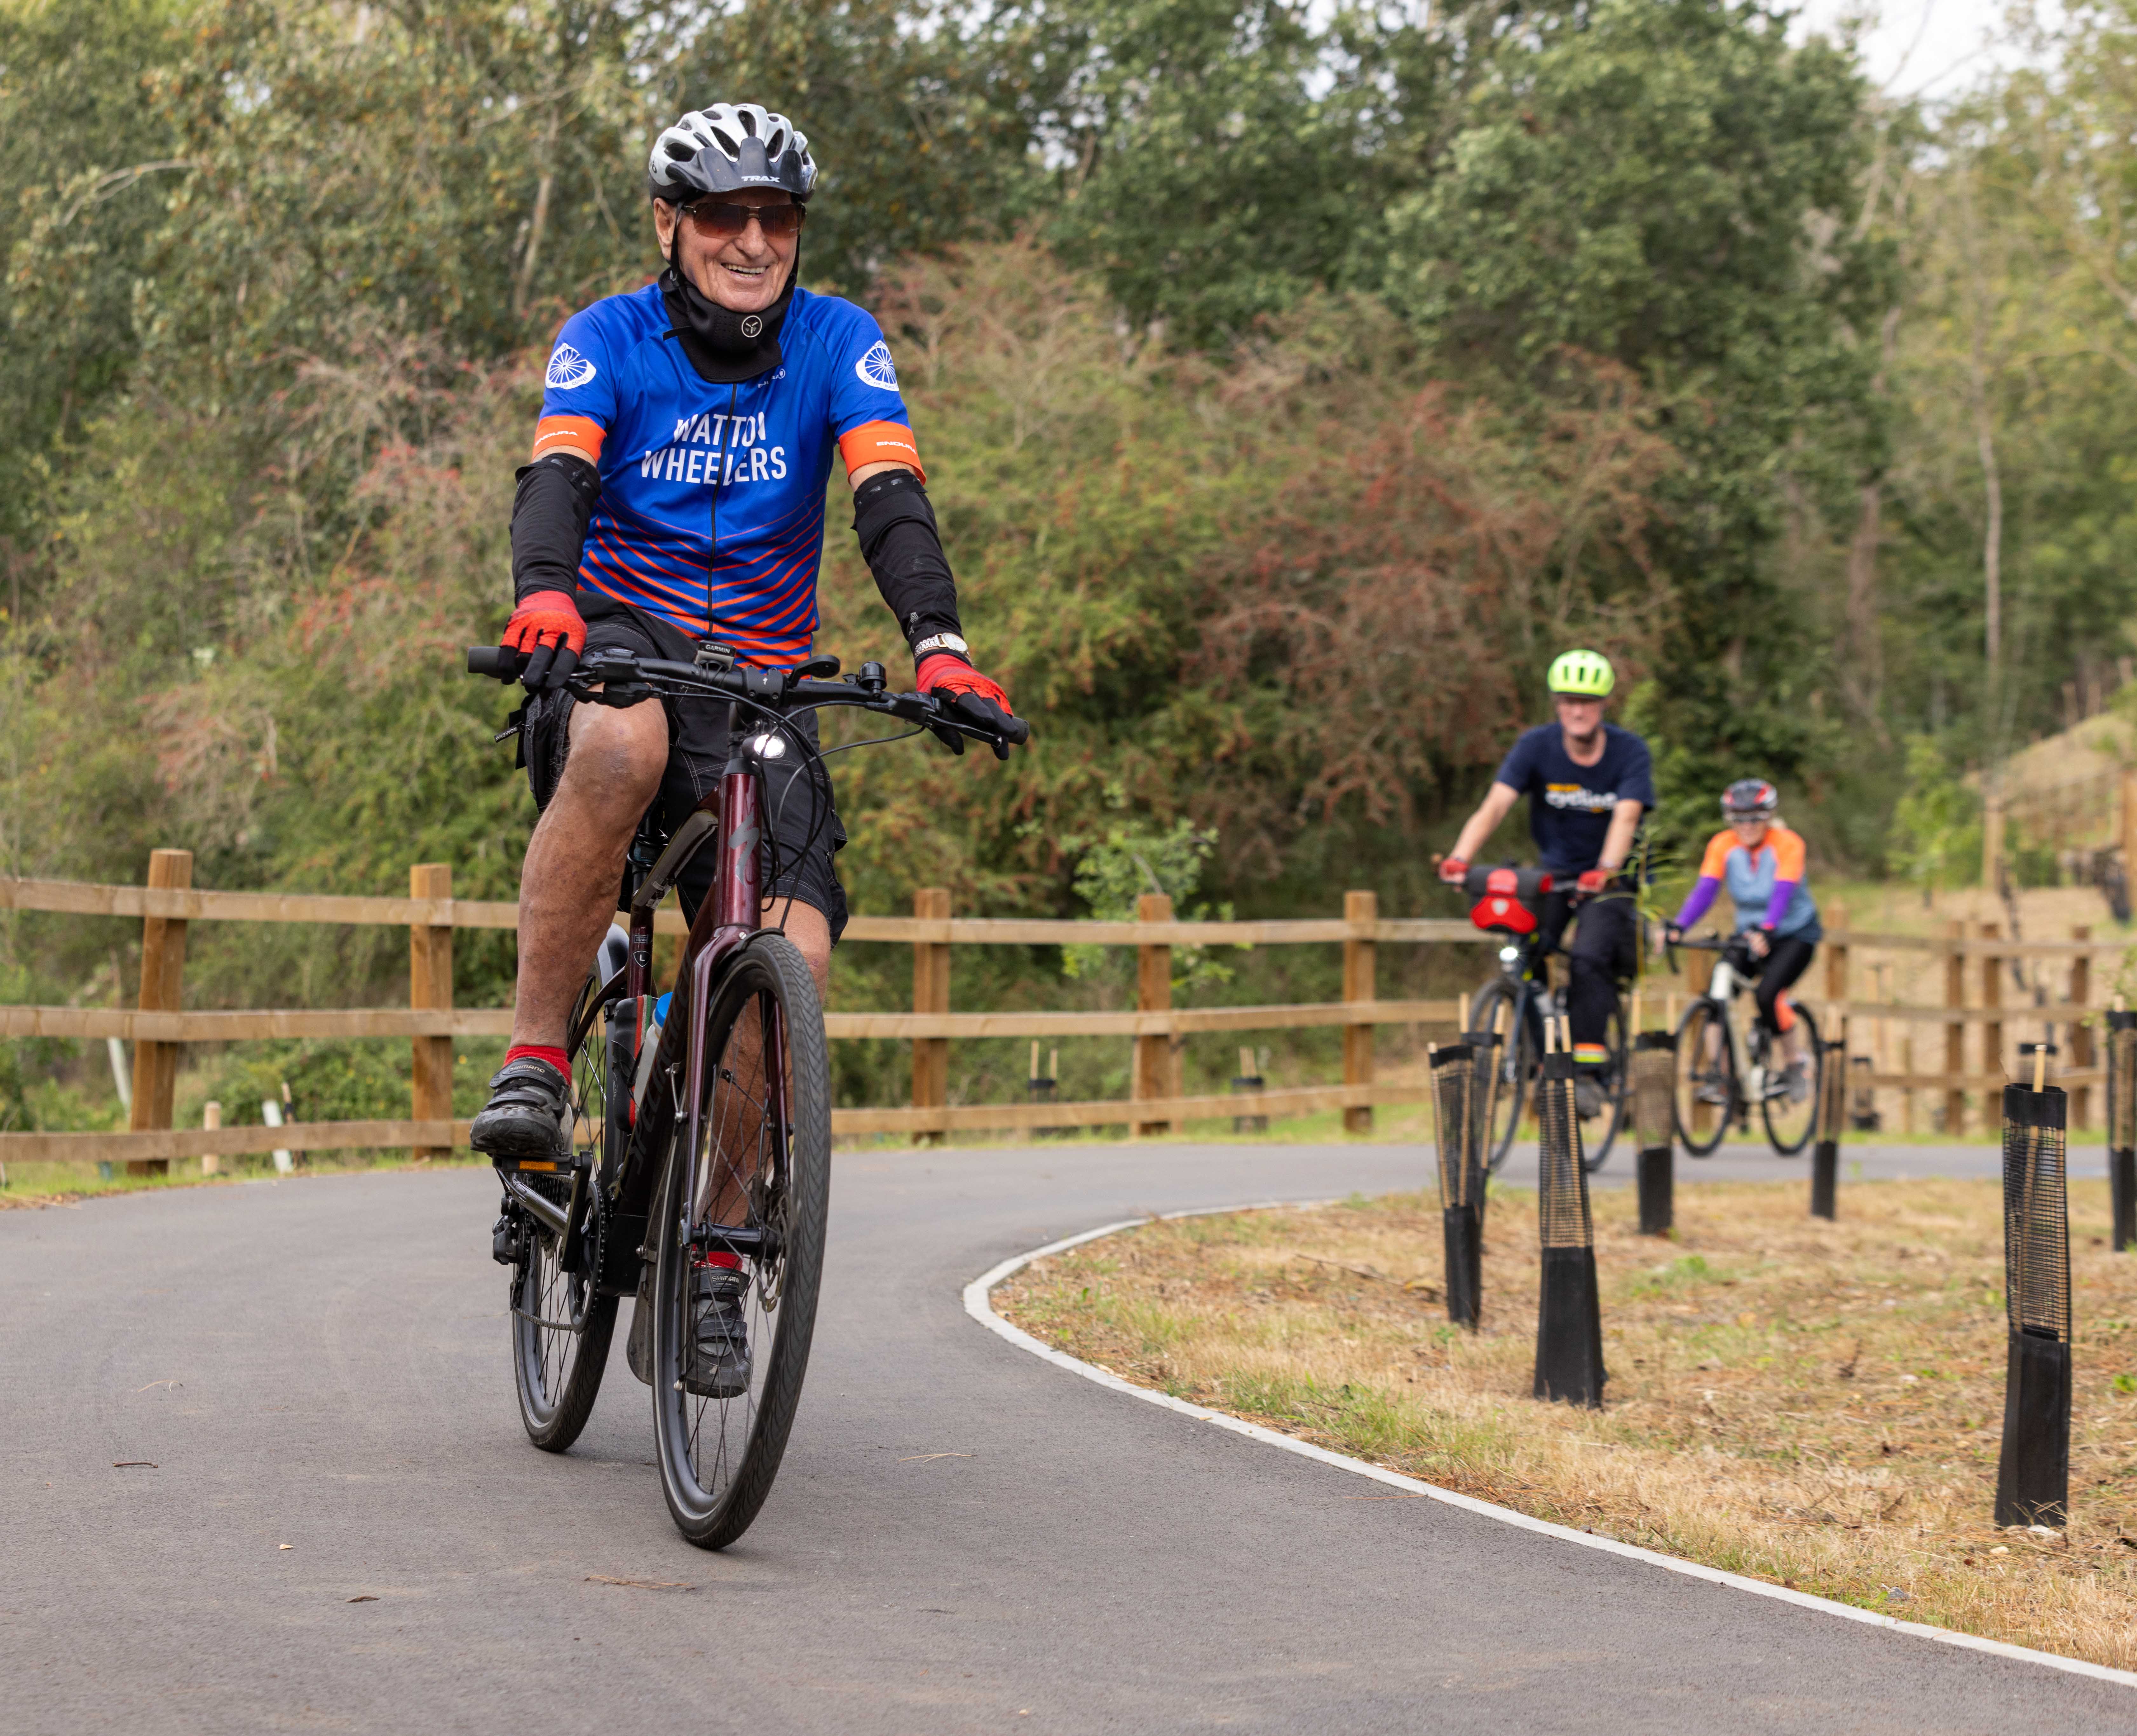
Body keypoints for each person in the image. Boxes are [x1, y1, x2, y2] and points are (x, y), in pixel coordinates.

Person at [469, 103, 1019, 1392]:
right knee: (622, 747)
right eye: (724, 215)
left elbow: (889, 497)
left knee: (794, 960)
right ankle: (537, 1063)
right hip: (622, 644)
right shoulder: (606, 337)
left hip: (764, 680)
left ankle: (715, 1254)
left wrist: (939, 645)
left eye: (776, 216)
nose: (753, 240)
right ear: (671, 224)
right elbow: (557, 475)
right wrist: (545, 593)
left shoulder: (838, 340)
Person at [1437, 649, 1655, 1114]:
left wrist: (1605, 869)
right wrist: (1460, 857)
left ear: (1603, 705)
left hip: (1610, 877)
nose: (1577, 710)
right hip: (1554, 875)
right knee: (1523, 952)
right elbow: (1495, 805)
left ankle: (1588, 1070)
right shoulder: (1536, 746)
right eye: (1568, 701)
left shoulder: (1629, 752)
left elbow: (1626, 817)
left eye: (1587, 702)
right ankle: (1539, 1056)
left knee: (1588, 957)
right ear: (1557, 704)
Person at [1663, 779, 1820, 1100]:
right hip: (1749, 934)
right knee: (1717, 995)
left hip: (1794, 934)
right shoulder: (1723, 845)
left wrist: (1768, 928)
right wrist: (1679, 926)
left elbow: (1783, 891)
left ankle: (1795, 1064)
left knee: (1768, 995)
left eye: (1755, 818)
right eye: (1739, 818)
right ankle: (1719, 1077)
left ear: (1769, 816)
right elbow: (1706, 890)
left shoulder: (1788, 843)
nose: (1747, 826)